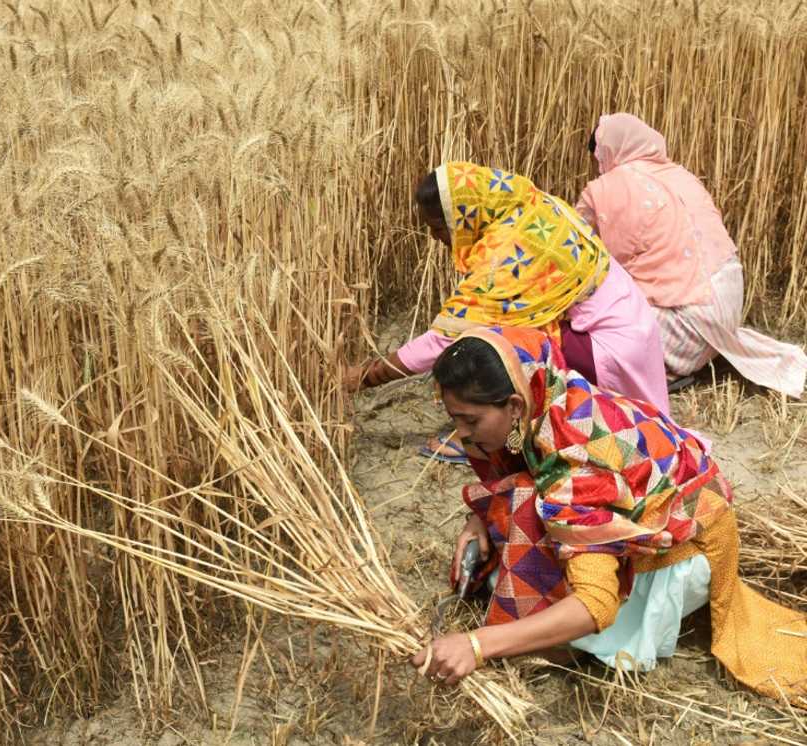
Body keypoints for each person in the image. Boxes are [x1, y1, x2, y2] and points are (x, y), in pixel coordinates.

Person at [408, 326, 806, 706]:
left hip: (688, 553)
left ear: (514, 406)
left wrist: (478, 645)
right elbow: (520, 471)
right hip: (658, 513)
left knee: (547, 612)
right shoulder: (548, 393)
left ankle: (570, 642)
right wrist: (478, 519)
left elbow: (595, 604)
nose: (460, 434)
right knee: (525, 505)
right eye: (454, 419)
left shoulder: (575, 464)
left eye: (470, 421)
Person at [344, 162, 670, 462]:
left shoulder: (507, 251)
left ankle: (498, 439)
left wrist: (363, 377)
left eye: (438, 228)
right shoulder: (530, 205)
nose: (434, 238)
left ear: (464, 218)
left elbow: (443, 341)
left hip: (610, 348)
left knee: (492, 343)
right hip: (633, 326)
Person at [577, 112, 807, 397]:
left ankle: (661, 370)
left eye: (599, 158)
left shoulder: (604, 189)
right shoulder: (680, 174)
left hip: (689, 322)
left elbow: (577, 247)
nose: (599, 168)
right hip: (727, 308)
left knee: (589, 319)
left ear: (608, 151)